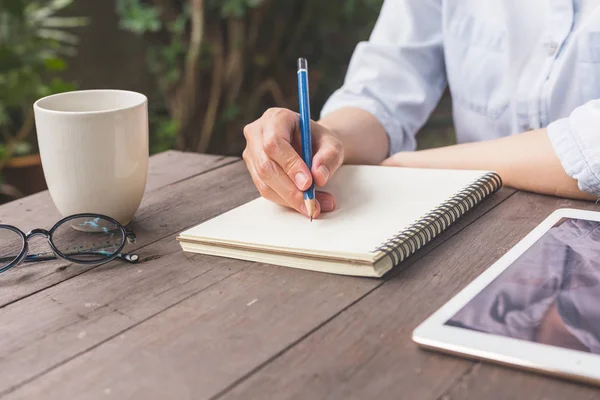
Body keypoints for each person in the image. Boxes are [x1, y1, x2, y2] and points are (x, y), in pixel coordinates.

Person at [242, 1, 600, 219]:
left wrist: (407, 165)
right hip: (478, 227)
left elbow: (591, 145)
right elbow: (385, 86)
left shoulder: (416, 168)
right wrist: (328, 139)